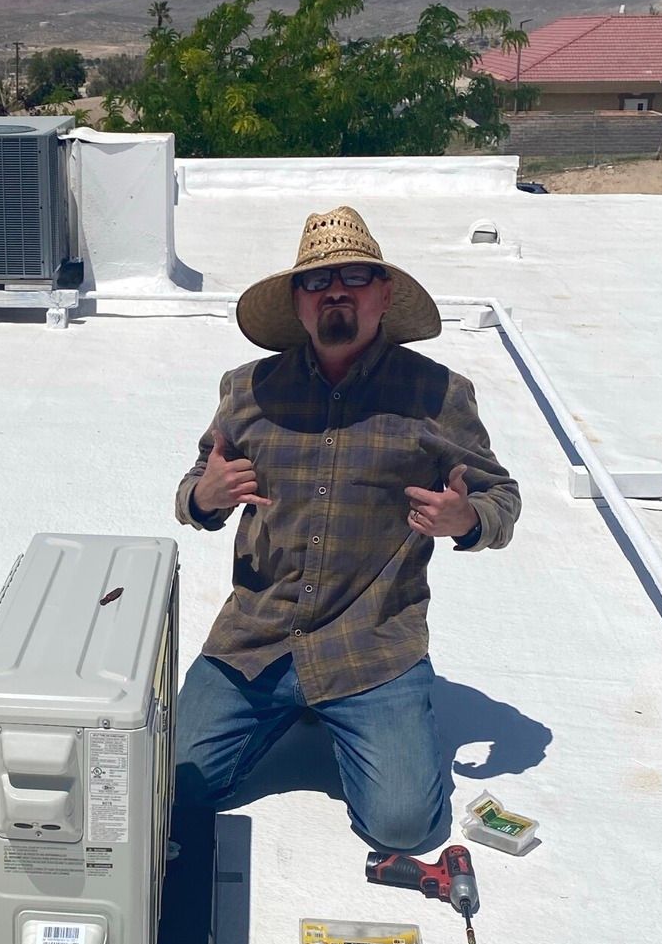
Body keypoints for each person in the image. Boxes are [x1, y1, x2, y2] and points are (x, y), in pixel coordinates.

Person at [173, 204, 520, 855]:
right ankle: (289, 712)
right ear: (298, 303)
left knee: (403, 829)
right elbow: (198, 482)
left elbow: (501, 495)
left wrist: (468, 518)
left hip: (373, 650)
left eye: (356, 276)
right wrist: (204, 496)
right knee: (172, 786)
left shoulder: (438, 394)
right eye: (316, 280)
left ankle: (352, 716)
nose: (335, 291)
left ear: (384, 294)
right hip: (257, 641)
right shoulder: (248, 390)